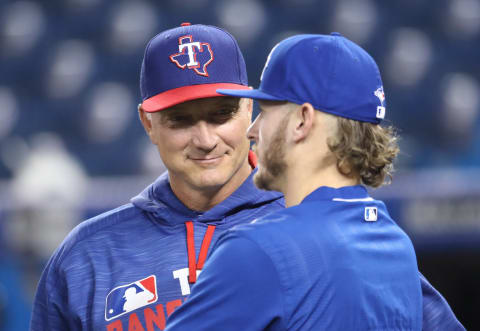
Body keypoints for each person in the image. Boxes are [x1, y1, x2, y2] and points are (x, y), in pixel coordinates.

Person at [30, 24, 463, 331]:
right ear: (148, 123)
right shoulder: (85, 254)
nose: (204, 139)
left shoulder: (292, 239)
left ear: (248, 110)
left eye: (222, 115)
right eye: (181, 120)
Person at [165, 33, 466, 330]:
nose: (252, 131)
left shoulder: (257, 252)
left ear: (302, 121)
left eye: (266, 112)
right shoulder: (395, 247)